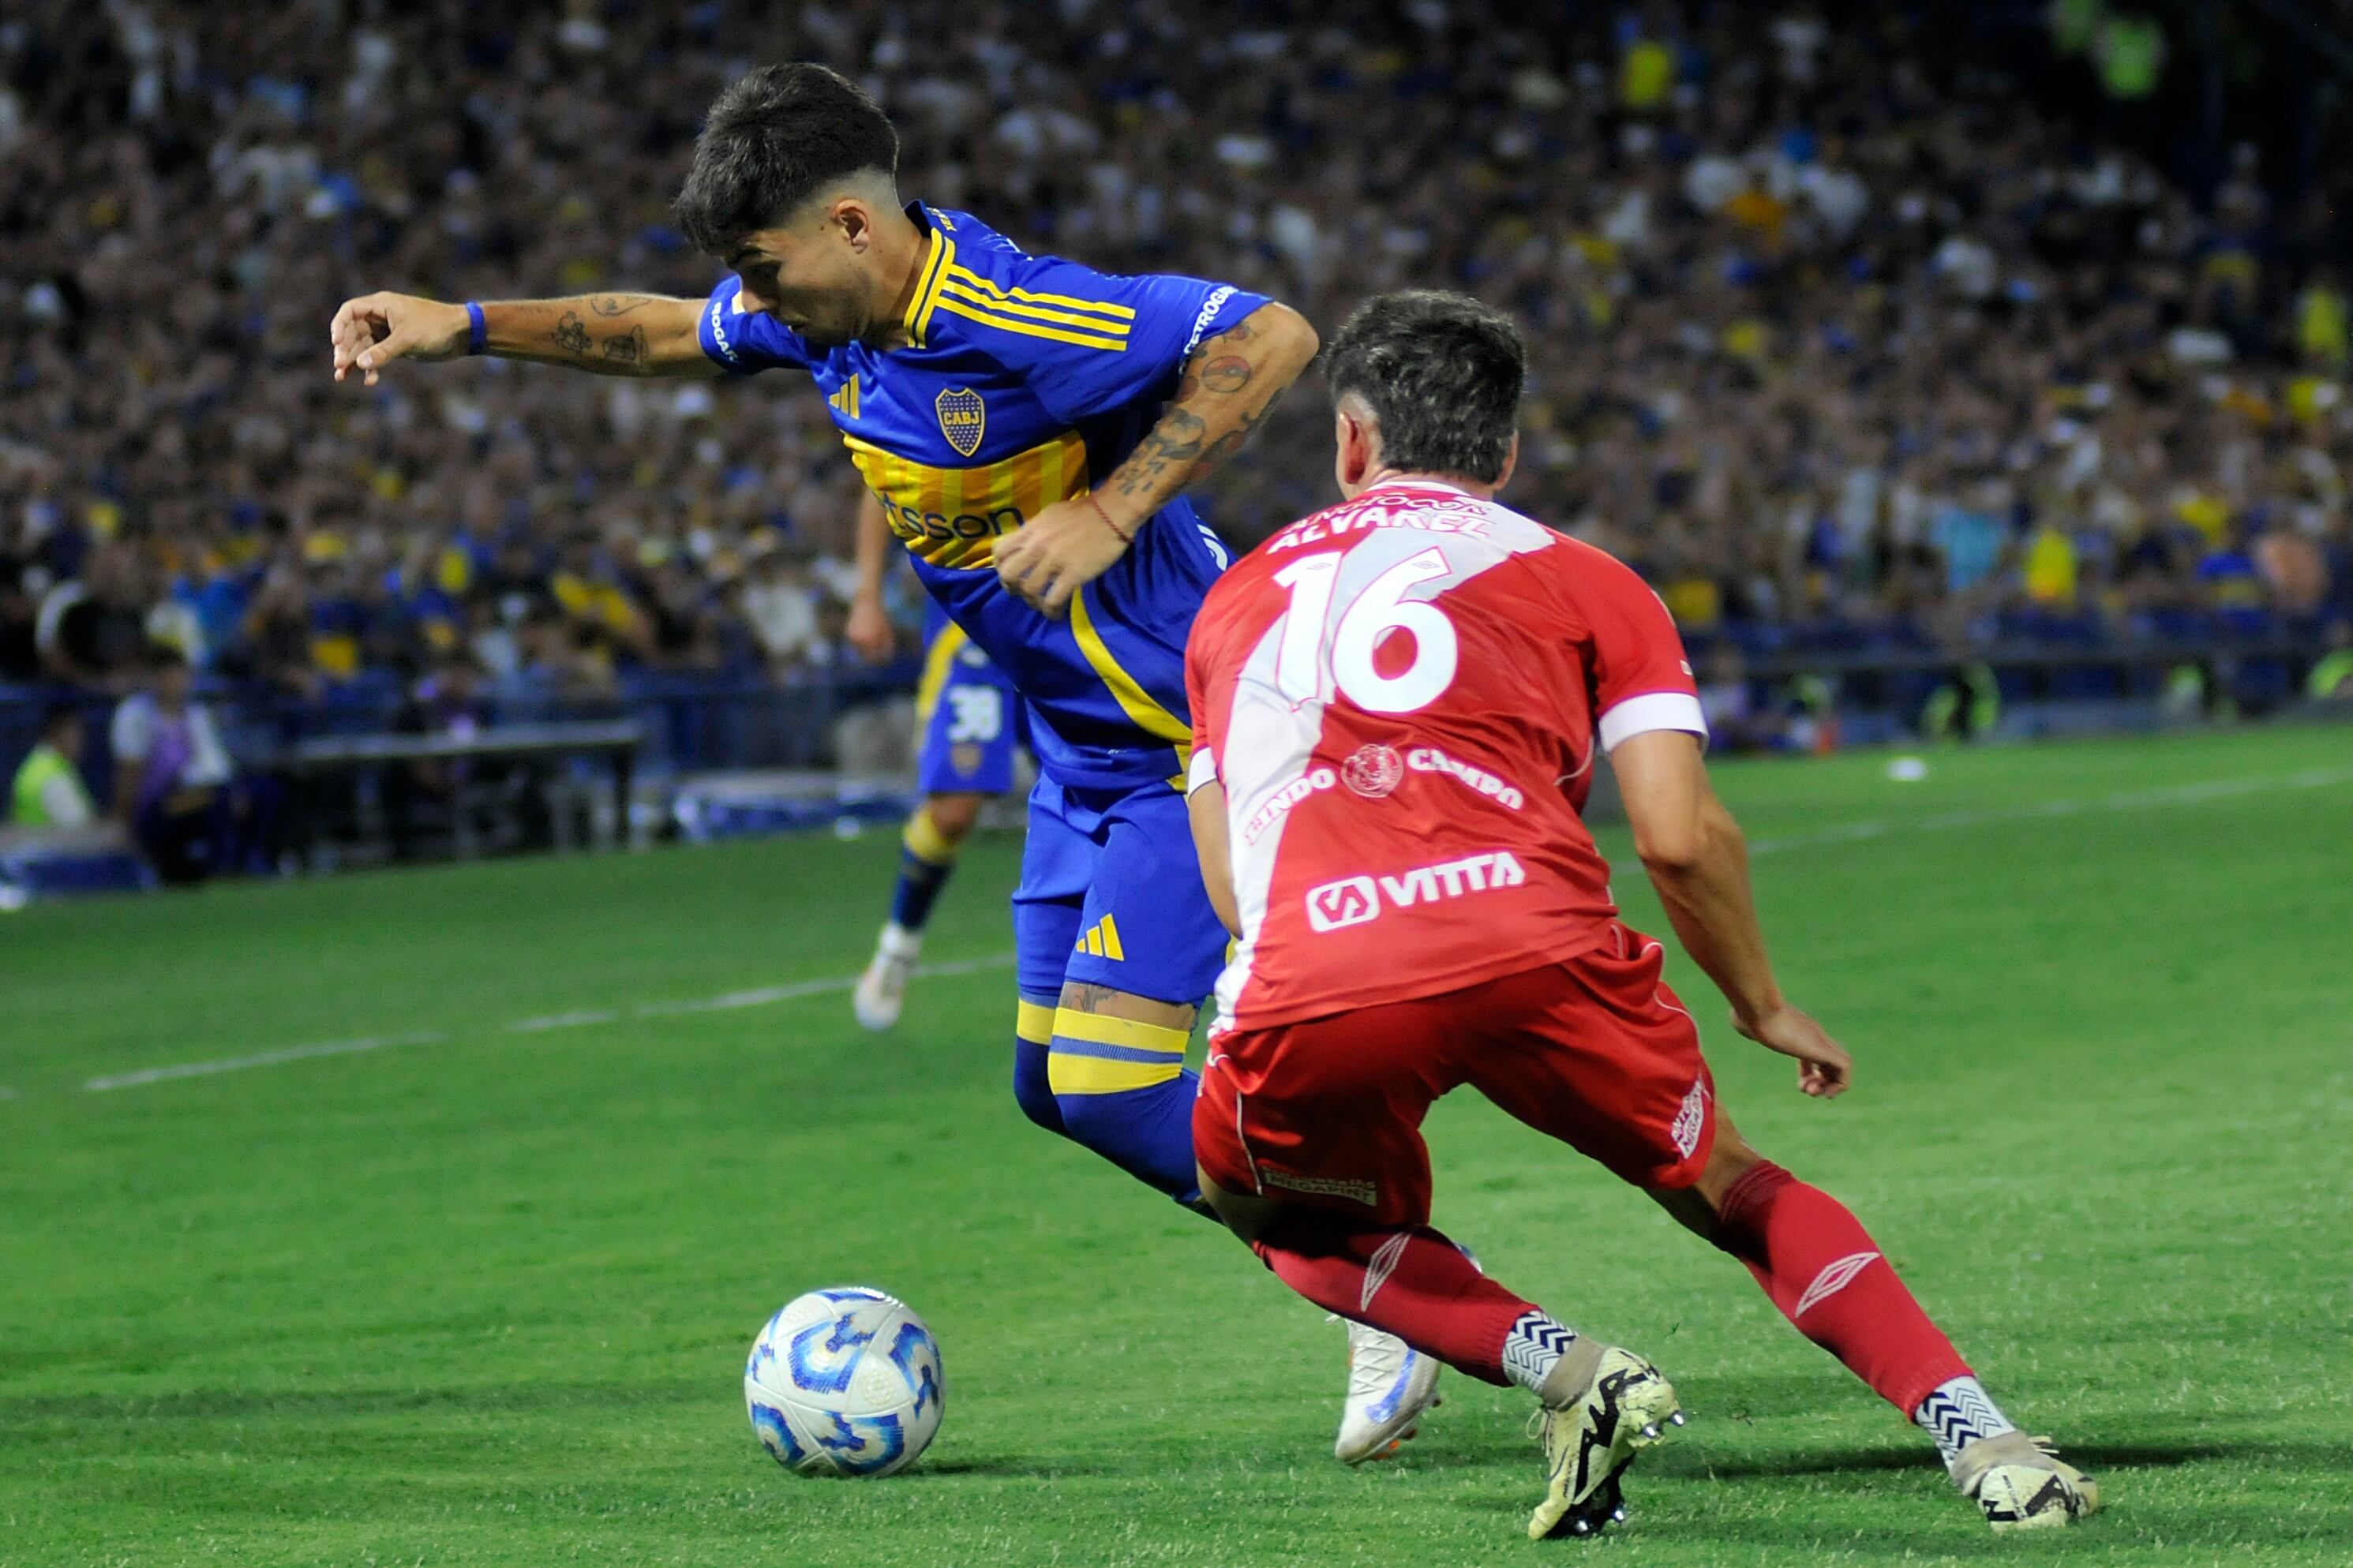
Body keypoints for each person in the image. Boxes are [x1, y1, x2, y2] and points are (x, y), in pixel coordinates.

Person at [325, 65, 1431, 1454]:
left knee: (1105, 1080)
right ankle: (1370, 1262)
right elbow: (667, 333)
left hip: (1182, 739)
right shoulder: (825, 324)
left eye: (764, 265)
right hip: (1075, 758)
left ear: (853, 224)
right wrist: (463, 326)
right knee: (1055, 1090)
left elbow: (1270, 334)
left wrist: (1108, 505)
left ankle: (1393, 1287)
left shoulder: (1004, 306)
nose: (754, 296)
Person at [1182, 291, 2099, 1539]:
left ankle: (1567, 1365)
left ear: (1350, 443)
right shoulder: (1589, 578)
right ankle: (1986, 1442)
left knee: (1283, 1218)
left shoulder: (1230, 604)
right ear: (1503, 454)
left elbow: (1236, 886)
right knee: (1732, 1187)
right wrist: (1760, 1001)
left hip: (1319, 970)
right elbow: (1678, 833)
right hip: (1538, 942)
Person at [843, 492, 1028, 1030]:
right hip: (973, 621)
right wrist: (866, 595)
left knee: (1107, 783)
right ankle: (898, 946)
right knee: (952, 810)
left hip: (1068, 602)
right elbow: (878, 481)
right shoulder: (935, 410)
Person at [111, 643, 238, 882]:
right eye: (171, 676)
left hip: (194, 797)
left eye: (182, 676)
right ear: (155, 679)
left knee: (261, 793)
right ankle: (219, 869)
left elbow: (215, 766)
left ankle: (231, 864)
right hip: (155, 808)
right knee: (218, 802)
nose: (178, 683)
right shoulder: (136, 715)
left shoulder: (195, 715)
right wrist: (124, 822)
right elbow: (129, 772)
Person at [9, 704, 99, 828]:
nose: (82, 741)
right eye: (77, 732)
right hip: (46, 845)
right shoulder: (54, 777)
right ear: (59, 731)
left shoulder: (34, 765)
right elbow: (81, 830)